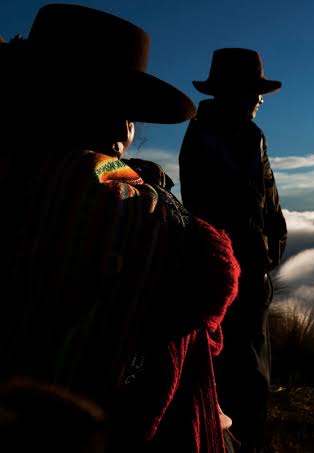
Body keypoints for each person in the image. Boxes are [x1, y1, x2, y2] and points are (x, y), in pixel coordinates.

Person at [0, 5, 240, 452]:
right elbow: (211, 275)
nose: (121, 130)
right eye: (98, 104)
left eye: (128, 113)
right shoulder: (100, 192)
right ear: (47, 99)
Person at [179, 48, 287, 452]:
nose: (260, 99)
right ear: (233, 92)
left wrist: (271, 248)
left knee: (251, 369)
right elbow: (226, 211)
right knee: (238, 374)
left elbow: (267, 205)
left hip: (249, 273)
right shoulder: (212, 137)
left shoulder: (245, 135)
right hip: (228, 276)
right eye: (253, 91)